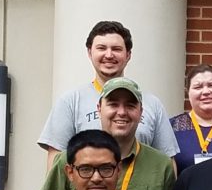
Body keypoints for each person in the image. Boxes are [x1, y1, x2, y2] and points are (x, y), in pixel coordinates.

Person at [38, 20, 177, 169]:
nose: (109, 55)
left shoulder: (152, 104)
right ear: (90, 52)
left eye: (116, 49)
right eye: (101, 48)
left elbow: (168, 163)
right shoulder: (70, 102)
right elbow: (55, 162)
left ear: (128, 54)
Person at [35, 78, 176, 190]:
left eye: (130, 106)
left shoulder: (161, 165)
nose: (121, 112)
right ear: (99, 109)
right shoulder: (68, 160)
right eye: (113, 104)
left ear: (140, 112)